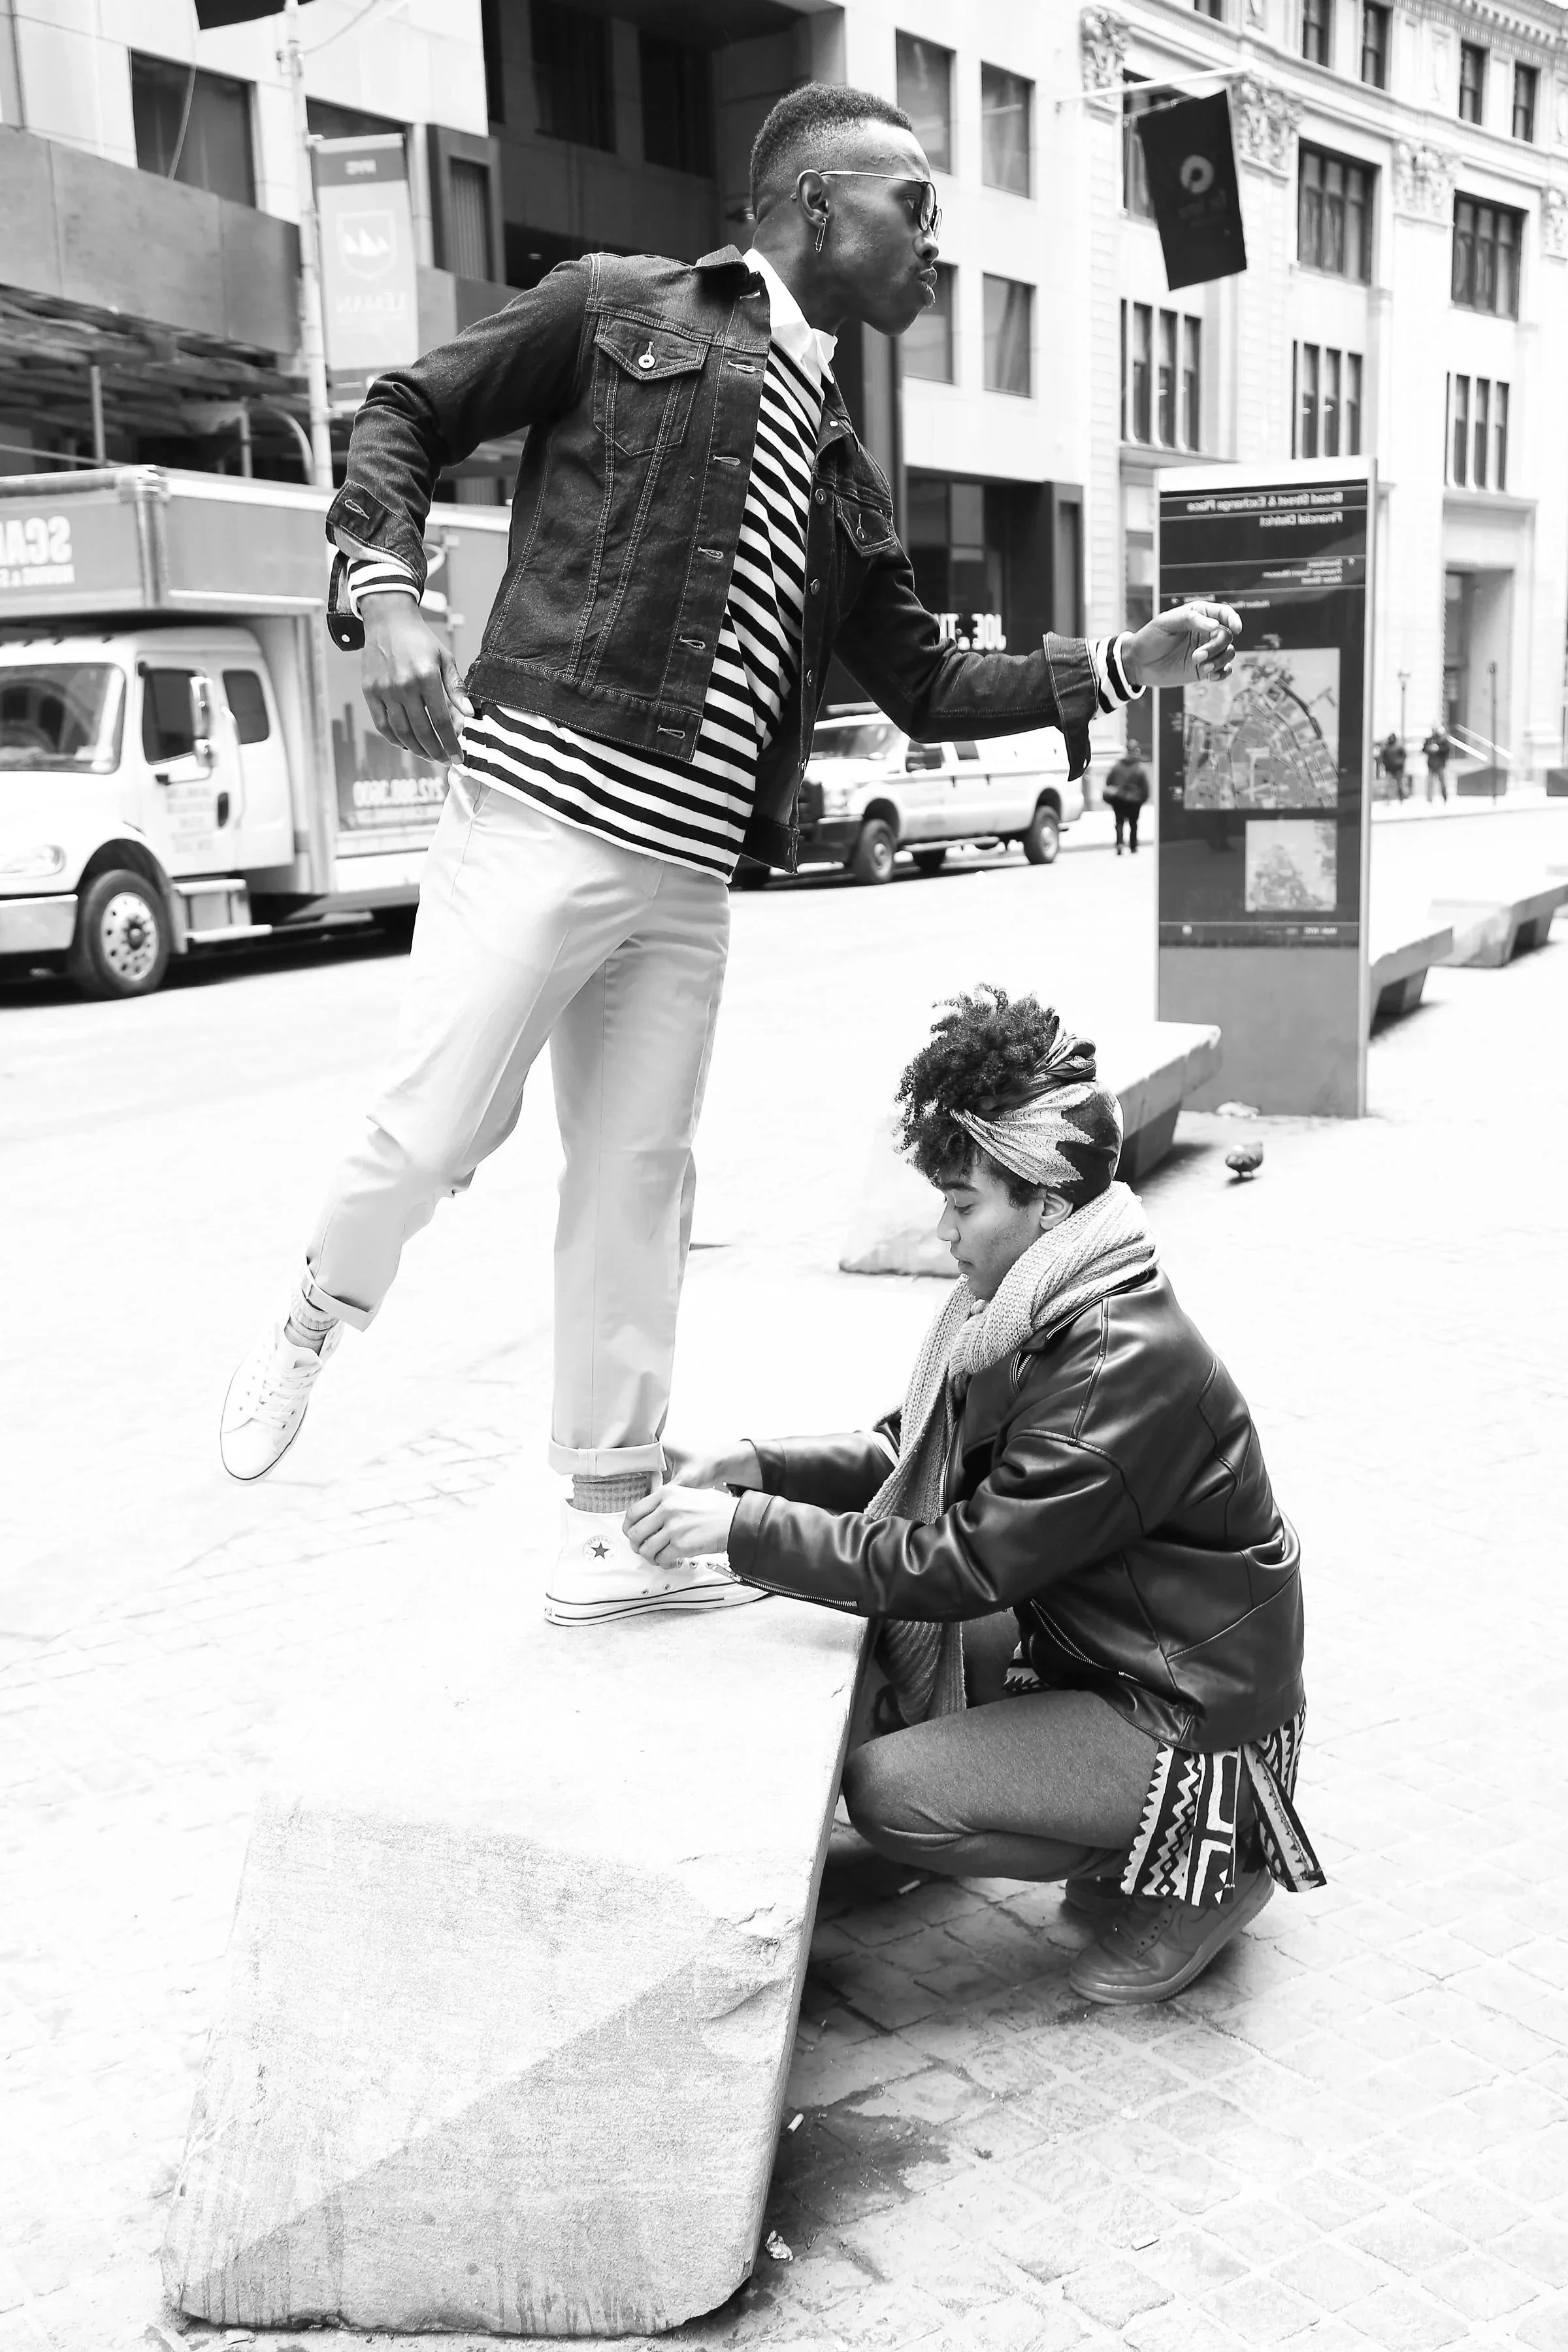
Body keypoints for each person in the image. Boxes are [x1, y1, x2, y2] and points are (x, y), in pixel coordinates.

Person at [219, 81, 1242, 1628]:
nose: (935, 246)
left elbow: (923, 681)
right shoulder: (619, 308)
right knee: (438, 1130)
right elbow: (407, 407)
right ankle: (317, 1308)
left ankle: (602, 1523)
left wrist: (1117, 664)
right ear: (817, 202)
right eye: (915, 208)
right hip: (541, 810)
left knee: (638, 1186)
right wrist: (383, 588)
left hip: (688, 879)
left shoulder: (839, 463)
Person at [629, 987, 1322, 2001]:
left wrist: (743, 1532)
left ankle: (1204, 1867)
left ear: (1048, 1205)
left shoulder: (1112, 1369)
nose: (945, 1231)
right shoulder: (1034, 1302)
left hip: (1188, 1714)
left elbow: (960, 1564)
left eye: (963, 1205)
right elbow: (907, 1455)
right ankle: (1023, 1808)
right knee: (877, 1640)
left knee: (889, 1790)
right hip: (1103, 1647)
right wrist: (752, 1466)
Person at [1102, 745, 1150, 854]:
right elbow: (1145, 787)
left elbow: (1109, 782)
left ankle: (1120, 843)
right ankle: (1133, 846)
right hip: (1135, 800)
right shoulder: (1139, 768)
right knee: (1134, 823)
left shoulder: (1117, 767)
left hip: (1119, 799)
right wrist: (1144, 799)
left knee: (1119, 822)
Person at [1422, 725, 1451, 803]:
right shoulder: (1429, 740)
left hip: (1440, 764)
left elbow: (1446, 751)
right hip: (1431, 764)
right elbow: (1424, 749)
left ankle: (1444, 797)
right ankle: (1429, 799)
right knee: (1430, 783)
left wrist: (1438, 749)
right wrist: (1429, 748)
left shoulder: (1443, 740)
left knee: (1442, 782)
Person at [1379, 731, 1408, 802]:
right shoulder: (1386, 747)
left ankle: (1401, 797)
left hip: (1398, 768)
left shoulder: (1399, 747)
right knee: (1388, 784)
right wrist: (1385, 763)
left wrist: (1400, 762)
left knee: (1399, 783)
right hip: (1389, 768)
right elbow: (1383, 757)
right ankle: (1388, 798)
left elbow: (1404, 756)